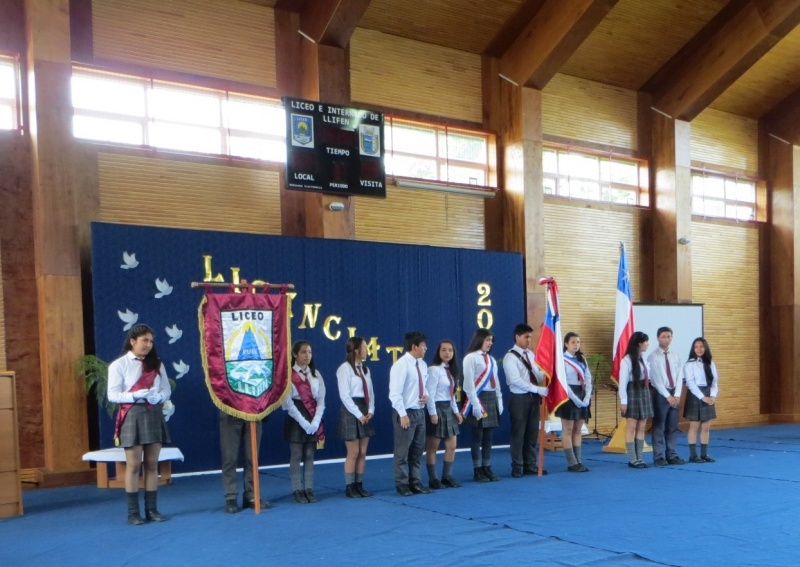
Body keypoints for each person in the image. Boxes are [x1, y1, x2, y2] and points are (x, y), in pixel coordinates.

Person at [106, 323, 172, 525]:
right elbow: (113, 395)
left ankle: (151, 509)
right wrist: (135, 395)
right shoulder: (119, 365)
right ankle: (133, 513)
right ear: (133, 341)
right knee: (134, 466)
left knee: (152, 465)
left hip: (153, 413)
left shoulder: (158, 365)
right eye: (144, 340)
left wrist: (159, 396)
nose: (148, 345)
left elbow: (167, 389)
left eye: (151, 341)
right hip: (132, 415)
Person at [282, 340, 326, 503]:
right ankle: (297, 489)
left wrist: (315, 422)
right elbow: (288, 403)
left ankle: (308, 488)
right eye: (303, 352)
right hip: (296, 417)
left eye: (309, 352)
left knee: (309, 454)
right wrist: (304, 423)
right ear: (295, 354)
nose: (307, 355)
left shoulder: (316, 374)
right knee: (296, 454)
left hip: (313, 415)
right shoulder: (288, 376)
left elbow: (321, 400)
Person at [502, 323, 548, 478]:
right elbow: (515, 380)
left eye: (531, 337)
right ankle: (517, 466)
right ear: (517, 337)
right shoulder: (510, 357)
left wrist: (548, 375)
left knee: (532, 433)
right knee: (518, 434)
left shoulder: (531, 355)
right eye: (526, 337)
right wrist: (537, 389)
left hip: (533, 399)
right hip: (519, 399)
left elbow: (537, 374)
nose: (529, 340)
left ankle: (530, 464)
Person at [389, 331, 431, 496]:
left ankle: (416, 481)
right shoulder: (401, 365)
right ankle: (402, 483)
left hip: (419, 411)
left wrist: (426, 394)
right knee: (403, 451)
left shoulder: (422, 364)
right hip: (405, 412)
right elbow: (394, 393)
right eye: (423, 345)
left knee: (418, 450)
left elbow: (423, 384)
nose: (426, 348)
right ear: (414, 346)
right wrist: (402, 414)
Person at [462, 328, 503, 482]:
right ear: (479, 340)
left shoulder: (492, 360)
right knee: (477, 437)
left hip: (491, 397)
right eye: (487, 340)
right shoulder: (470, 358)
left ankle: (487, 466)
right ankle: (477, 468)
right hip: (478, 398)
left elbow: (496, 381)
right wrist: (475, 404)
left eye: (491, 340)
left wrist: (499, 399)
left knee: (489, 437)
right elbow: (468, 384)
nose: (490, 343)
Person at [336, 336, 375, 498]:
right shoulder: (344, 369)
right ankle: (349, 486)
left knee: (363, 452)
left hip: (364, 409)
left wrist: (371, 410)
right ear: (357, 350)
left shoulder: (365, 369)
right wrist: (358, 414)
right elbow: (344, 396)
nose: (367, 351)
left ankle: (359, 484)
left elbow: (371, 392)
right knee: (353, 452)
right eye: (365, 347)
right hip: (351, 411)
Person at [425, 340, 463, 489]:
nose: (447, 353)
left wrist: (456, 411)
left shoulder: (451, 371)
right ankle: (433, 479)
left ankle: (447, 476)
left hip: (448, 408)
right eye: (444, 350)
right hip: (437, 408)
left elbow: (452, 394)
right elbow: (430, 394)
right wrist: (432, 413)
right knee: (432, 447)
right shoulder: (434, 370)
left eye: (450, 350)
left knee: (452, 445)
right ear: (438, 352)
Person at [219, 410, 271, 513]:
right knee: (230, 459)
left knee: (252, 458)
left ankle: (251, 495)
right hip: (230, 411)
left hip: (253, 413)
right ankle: (231, 497)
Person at [646, 327, 685, 466]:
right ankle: (659, 456)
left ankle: (671, 454)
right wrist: (668, 396)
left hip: (674, 393)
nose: (666, 339)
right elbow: (656, 380)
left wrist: (677, 394)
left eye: (669, 336)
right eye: (663, 336)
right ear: (658, 338)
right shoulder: (653, 356)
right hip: (661, 394)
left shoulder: (675, 355)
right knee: (659, 425)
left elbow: (680, 375)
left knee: (672, 426)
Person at [557, 332, 592, 472]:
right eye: (573, 342)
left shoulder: (582, 358)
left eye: (578, 342)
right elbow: (563, 383)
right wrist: (576, 399)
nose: (576, 345)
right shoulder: (562, 360)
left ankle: (579, 461)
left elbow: (588, 378)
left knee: (578, 430)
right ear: (566, 344)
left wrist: (587, 396)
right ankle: (571, 462)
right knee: (568, 430)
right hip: (568, 396)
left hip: (582, 394)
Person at [618, 331, 653, 469]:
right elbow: (623, 382)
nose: (647, 344)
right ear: (639, 343)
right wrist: (624, 401)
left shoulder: (643, 358)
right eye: (646, 342)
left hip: (644, 391)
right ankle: (632, 459)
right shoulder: (626, 360)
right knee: (631, 427)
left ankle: (640, 457)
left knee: (642, 426)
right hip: (632, 391)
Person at [683, 337, 719, 463]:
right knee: (694, 426)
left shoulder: (710, 363)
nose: (699, 349)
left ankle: (704, 454)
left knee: (706, 427)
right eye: (696, 347)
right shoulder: (690, 364)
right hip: (696, 395)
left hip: (708, 394)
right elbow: (691, 383)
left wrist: (713, 396)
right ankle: (693, 455)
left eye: (701, 346)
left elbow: (714, 382)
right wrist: (703, 397)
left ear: (705, 348)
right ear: (693, 349)